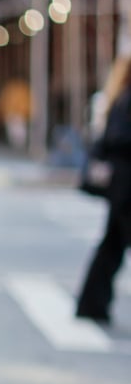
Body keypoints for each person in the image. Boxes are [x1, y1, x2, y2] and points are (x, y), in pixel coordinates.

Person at [76, 53, 131, 323]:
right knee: (112, 246)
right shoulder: (126, 98)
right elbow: (119, 139)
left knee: (111, 246)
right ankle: (91, 304)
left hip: (122, 187)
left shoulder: (120, 96)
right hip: (126, 187)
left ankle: (91, 304)